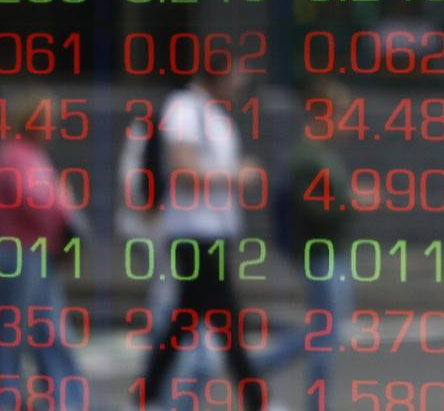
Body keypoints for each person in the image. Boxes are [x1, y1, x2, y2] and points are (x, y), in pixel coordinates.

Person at [142, 69, 265, 411]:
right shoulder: (184, 108)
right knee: (227, 317)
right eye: (236, 76)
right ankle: (255, 398)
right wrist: (235, 176)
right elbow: (182, 167)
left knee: (186, 319)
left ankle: (146, 395)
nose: (241, 84)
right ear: (220, 75)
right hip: (194, 233)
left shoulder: (212, 112)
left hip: (212, 231)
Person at [0, 89, 84, 411]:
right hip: (16, 255)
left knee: (51, 335)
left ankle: (67, 401)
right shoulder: (13, 154)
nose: (53, 127)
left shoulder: (32, 155)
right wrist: (65, 203)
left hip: (38, 256)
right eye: (48, 120)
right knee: (6, 339)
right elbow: (35, 202)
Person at [258, 79, 355, 411]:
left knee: (324, 329)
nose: (347, 124)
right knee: (326, 332)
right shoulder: (307, 157)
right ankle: (268, 371)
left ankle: (260, 367)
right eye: (343, 115)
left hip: (330, 253)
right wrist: (351, 201)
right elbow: (317, 208)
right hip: (319, 254)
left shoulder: (320, 154)